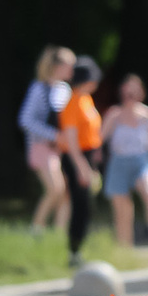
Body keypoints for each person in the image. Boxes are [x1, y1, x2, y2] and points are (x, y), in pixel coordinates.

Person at [99, 74, 148, 251]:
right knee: (122, 209)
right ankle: (125, 248)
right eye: (127, 92)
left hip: (142, 161)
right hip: (118, 163)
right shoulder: (114, 114)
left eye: (134, 92)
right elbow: (99, 140)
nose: (130, 96)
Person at [19, 46, 78, 236]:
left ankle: (59, 235)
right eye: (69, 66)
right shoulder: (38, 88)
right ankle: (36, 230)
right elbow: (25, 120)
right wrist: (53, 135)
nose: (72, 70)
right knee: (55, 188)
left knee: (66, 193)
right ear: (57, 66)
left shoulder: (65, 90)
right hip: (41, 146)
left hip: (61, 148)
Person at [58, 57, 103, 266]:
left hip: (87, 156)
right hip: (75, 158)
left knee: (86, 206)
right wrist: (82, 168)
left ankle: (79, 249)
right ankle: (73, 252)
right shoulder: (73, 103)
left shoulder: (86, 99)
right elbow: (71, 141)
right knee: (80, 205)